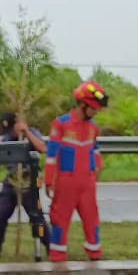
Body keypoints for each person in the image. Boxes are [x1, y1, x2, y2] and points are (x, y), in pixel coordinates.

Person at [46, 81, 108, 262]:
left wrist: (98, 166)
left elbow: (94, 148)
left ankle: (95, 253)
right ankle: (57, 256)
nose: (96, 112)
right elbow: (52, 154)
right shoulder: (61, 124)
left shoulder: (93, 127)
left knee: (92, 218)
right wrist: (49, 180)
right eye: (94, 109)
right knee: (60, 218)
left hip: (87, 182)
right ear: (83, 104)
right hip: (66, 181)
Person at [0, 109, 50, 259]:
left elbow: (42, 148)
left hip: (30, 182)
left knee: (37, 219)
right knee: (0, 215)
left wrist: (26, 132)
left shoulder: (31, 132)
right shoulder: (6, 138)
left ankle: (49, 245)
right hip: (11, 181)